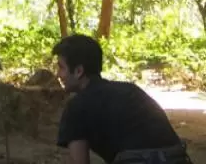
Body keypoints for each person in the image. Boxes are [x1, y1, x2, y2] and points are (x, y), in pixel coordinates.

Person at [52, 34, 191, 164]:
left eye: (61, 67)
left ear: (78, 71)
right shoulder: (130, 90)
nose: (58, 74)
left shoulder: (76, 106)